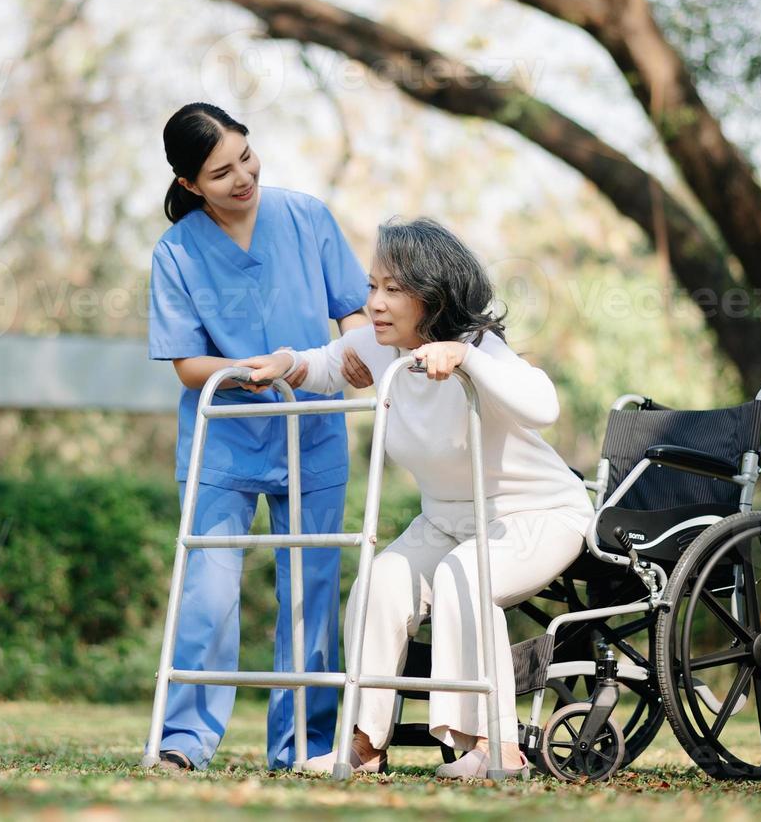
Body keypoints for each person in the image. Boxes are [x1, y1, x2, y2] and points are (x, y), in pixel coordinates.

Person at [237, 217, 594, 779]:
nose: (374, 303)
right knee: (379, 581)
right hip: (448, 519)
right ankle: (365, 743)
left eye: (392, 290)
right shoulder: (380, 349)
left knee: (463, 577)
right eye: (373, 286)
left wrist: (469, 359)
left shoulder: (481, 347)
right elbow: (322, 363)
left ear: (432, 297)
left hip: (536, 516)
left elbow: (543, 405)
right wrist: (285, 363)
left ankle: (495, 745)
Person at [145, 102, 371, 772]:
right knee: (209, 599)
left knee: (311, 592)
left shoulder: (305, 217)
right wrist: (256, 371)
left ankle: (304, 744)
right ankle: (185, 741)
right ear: (191, 185)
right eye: (221, 172)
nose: (243, 177)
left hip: (314, 435)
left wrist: (353, 354)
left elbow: (354, 312)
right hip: (226, 444)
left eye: (246, 157)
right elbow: (188, 367)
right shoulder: (177, 252)